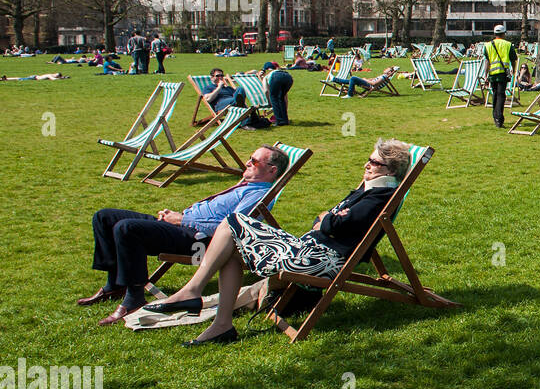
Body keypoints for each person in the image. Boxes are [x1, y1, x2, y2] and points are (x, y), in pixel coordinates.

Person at [145, 139, 410, 346]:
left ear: (392, 170)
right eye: (369, 159)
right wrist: (329, 219)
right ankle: (221, 325)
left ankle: (194, 293)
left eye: (374, 163)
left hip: (318, 261)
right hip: (308, 249)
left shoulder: (379, 196)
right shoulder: (367, 190)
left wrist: (328, 219)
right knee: (233, 244)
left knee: (234, 222)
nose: (367, 165)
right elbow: (330, 219)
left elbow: (335, 222)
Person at [77, 146, 288, 326]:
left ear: (272, 170)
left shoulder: (258, 194)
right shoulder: (246, 185)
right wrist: (177, 217)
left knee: (127, 229)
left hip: (198, 241)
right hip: (182, 226)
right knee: (104, 217)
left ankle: (134, 298)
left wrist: (182, 220)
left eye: (254, 161)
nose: (247, 162)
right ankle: (114, 285)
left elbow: (232, 227)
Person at [485, 24, 517, 128]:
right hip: (503, 74)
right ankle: (499, 118)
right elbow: (513, 59)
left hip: (492, 74)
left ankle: (496, 116)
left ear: (494, 34)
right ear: (504, 34)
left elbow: (487, 61)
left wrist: (485, 75)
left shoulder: (488, 45)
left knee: (495, 95)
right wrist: (515, 70)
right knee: (501, 96)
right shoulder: (508, 45)